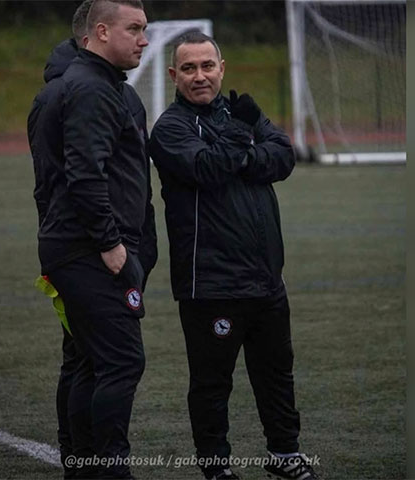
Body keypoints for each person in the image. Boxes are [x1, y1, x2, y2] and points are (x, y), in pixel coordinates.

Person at [149, 31, 318, 480]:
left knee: (277, 375)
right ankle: (217, 470)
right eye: (189, 68)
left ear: (221, 68)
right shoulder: (170, 129)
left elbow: (282, 156)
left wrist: (237, 154)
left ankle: (284, 456)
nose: (200, 76)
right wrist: (242, 142)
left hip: (266, 281)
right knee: (211, 385)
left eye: (207, 65)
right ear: (174, 75)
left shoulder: (237, 110)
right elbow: (207, 169)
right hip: (211, 285)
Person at [27, 1, 153, 478]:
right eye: (135, 29)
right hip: (88, 250)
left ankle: (82, 468)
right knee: (121, 362)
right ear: (101, 32)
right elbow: (84, 175)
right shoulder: (91, 88)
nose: (144, 40)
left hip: (76, 247)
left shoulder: (93, 86)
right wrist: (112, 245)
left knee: (89, 362)